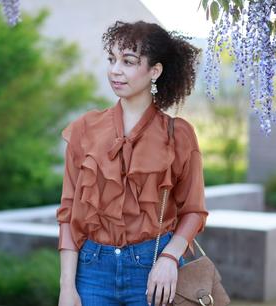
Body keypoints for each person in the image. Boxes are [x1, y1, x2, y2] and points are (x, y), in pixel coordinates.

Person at [57, 20, 209, 306]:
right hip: (91, 271)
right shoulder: (84, 129)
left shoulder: (178, 135)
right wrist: (67, 286)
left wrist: (168, 257)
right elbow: (67, 213)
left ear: (155, 71)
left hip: (153, 272)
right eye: (112, 59)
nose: (115, 70)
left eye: (128, 62)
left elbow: (194, 211)